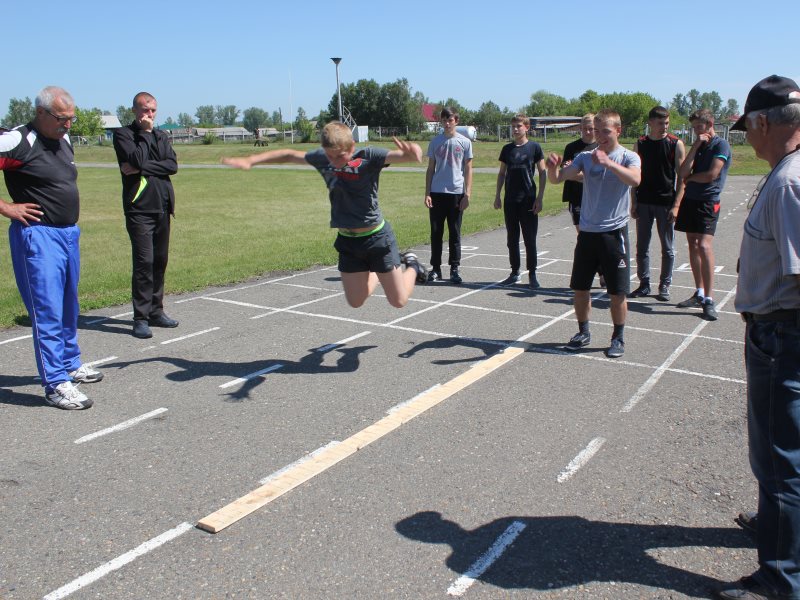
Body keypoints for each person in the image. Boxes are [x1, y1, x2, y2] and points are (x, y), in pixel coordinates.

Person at [714, 75, 800, 600]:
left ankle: (780, 578)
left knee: (779, 460)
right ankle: (776, 524)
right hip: (778, 331)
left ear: (764, 123)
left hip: (783, 334)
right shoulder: (785, 173)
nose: (746, 136)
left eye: (748, 127)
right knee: (777, 456)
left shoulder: (790, 183)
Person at [221, 121, 427, 308]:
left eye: (340, 156)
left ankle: (413, 266)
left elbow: (403, 156)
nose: (334, 162)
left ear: (352, 147)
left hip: (377, 238)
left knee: (398, 301)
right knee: (355, 301)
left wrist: (414, 151)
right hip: (348, 241)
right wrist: (251, 160)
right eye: (330, 156)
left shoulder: (369, 157)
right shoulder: (323, 159)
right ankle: (375, 269)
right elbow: (288, 155)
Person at [0, 86, 103, 410]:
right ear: (41, 113)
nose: (68, 125)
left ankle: (70, 362)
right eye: (62, 119)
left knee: (68, 307)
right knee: (46, 312)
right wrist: (7, 207)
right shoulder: (17, 140)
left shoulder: (63, 139)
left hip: (68, 235)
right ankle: (56, 383)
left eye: (71, 119)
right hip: (38, 238)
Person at [546, 109, 641, 358]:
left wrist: (609, 162)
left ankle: (618, 337)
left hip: (613, 233)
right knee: (580, 288)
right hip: (587, 232)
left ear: (618, 131)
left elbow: (635, 180)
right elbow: (559, 179)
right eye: (596, 131)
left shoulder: (629, 156)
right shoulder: (585, 157)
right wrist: (553, 168)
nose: (600, 136)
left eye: (605, 131)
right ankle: (583, 331)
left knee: (617, 291)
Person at [113, 92, 180, 339]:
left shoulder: (161, 135)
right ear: (134, 110)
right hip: (139, 209)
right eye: (144, 110)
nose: (149, 115)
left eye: (152, 110)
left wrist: (141, 167)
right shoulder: (124, 135)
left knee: (159, 262)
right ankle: (140, 318)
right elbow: (136, 157)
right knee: (144, 264)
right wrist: (144, 135)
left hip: (162, 207)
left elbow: (172, 165)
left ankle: (156, 311)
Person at [673, 108, 731, 321]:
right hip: (691, 200)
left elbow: (711, 175)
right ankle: (698, 292)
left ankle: (709, 298)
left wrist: (691, 179)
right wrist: (696, 145)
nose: (697, 130)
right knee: (692, 245)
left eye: (700, 126)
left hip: (708, 201)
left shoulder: (721, 145)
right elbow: (682, 172)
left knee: (705, 246)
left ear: (710, 124)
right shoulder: (699, 145)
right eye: (694, 127)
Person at [629, 106, 685, 301]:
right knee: (642, 246)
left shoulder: (675, 144)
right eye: (661, 123)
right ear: (650, 123)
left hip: (665, 203)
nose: (664, 127)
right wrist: (633, 201)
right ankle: (644, 283)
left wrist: (677, 204)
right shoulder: (640, 144)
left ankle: (665, 285)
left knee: (667, 247)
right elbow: (634, 175)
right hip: (644, 201)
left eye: (667, 123)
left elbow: (682, 177)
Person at [494, 114, 546, 288]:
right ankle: (515, 271)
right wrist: (497, 195)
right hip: (510, 200)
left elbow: (543, 172)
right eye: (513, 126)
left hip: (528, 200)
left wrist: (539, 198)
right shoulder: (507, 149)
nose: (515, 129)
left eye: (519, 126)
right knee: (512, 238)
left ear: (526, 127)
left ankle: (532, 273)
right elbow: (502, 173)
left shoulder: (534, 147)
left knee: (530, 239)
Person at [425, 107, 473, 284]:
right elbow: (430, 169)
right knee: (436, 233)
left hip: (456, 193)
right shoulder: (435, 142)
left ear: (456, 121)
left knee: (455, 233)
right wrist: (427, 193)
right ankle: (435, 268)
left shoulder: (465, 142)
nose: (447, 123)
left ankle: (454, 268)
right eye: (444, 120)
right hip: (437, 193)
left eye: (450, 120)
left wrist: (467, 194)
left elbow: (468, 169)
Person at [561, 114, 604, 288]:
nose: (588, 131)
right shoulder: (572, 147)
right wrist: (583, 175)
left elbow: (598, 176)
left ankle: (602, 272)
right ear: (580, 128)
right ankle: (591, 271)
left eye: (592, 128)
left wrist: (579, 174)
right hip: (576, 197)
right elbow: (566, 173)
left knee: (598, 237)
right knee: (584, 236)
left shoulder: (601, 147)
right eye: (585, 128)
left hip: (597, 199)